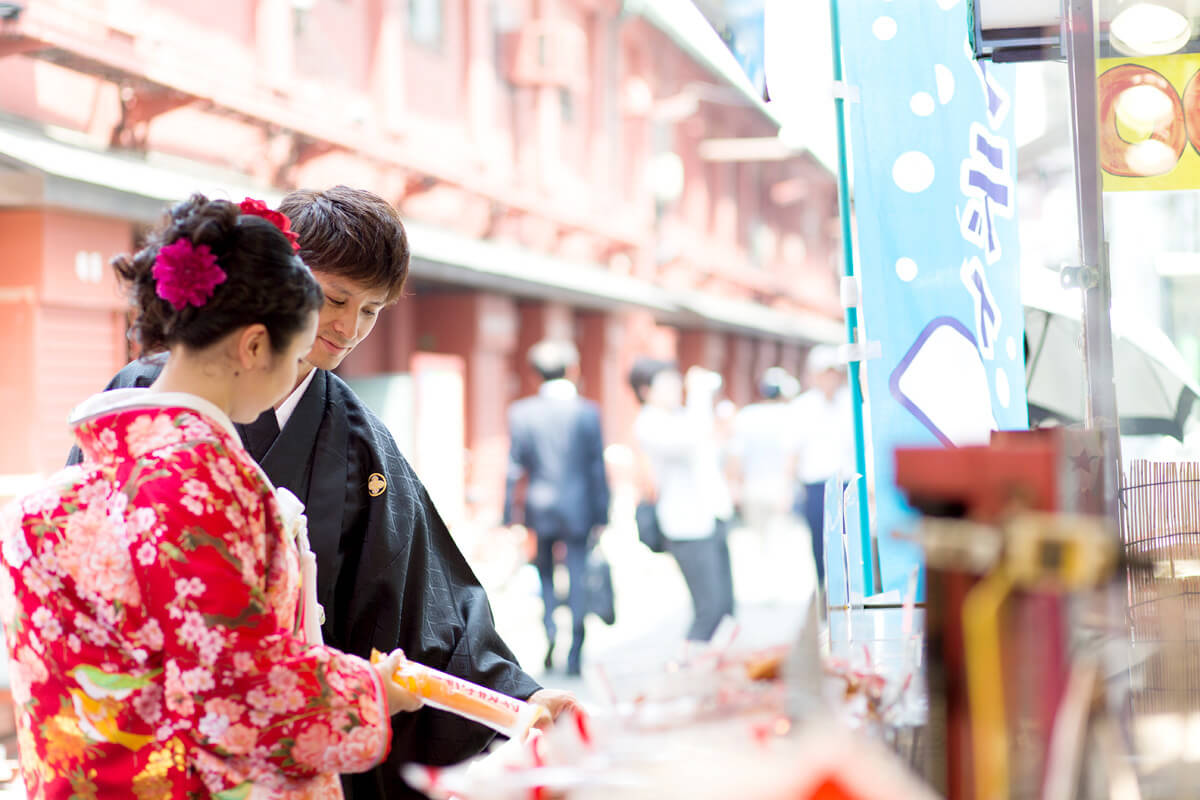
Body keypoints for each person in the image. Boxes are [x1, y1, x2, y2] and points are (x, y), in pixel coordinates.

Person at [67, 186, 575, 799]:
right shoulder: (136, 405)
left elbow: (420, 600)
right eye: (336, 299)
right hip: (168, 735)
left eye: (371, 311)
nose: (349, 328)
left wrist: (512, 697)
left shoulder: (355, 437)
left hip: (284, 746)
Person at [3, 194, 426, 799]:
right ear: (254, 346)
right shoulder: (204, 490)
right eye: (298, 341)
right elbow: (239, 697)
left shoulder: (68, 490)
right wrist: (372, 694)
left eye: (371, 311)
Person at [502, 340, 610, 677]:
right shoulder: (587, 412)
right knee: (577, 572)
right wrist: (604, 513)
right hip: (579, 505)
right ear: (572, 370)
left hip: (540, 504)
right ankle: (576, 649)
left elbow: (513, 469)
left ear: (536, 374)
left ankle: (549, 633)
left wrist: (509, 515)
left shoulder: (521, 412)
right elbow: (596, 467)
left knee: (545, 572)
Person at [630, 359, 735, 642]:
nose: (676, 388)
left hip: (712, 519)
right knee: (709, 610)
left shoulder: (680, 417)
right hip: (685, 527)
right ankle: (688, 672)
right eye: (667, 384)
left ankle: (712, 673)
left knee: (725, 609)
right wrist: (700, 395)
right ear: (645, 390)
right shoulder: (649, 423)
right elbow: (690, 439)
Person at [728, 367, 800, 602]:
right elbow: (790, 457)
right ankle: (776, 589)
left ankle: (760, 587)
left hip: (752, 486)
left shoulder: (746, 416)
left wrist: (735, 486)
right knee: (778, 539)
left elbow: (736, 456)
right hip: (777, 486)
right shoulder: (788, 415)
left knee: (758, 539)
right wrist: (788, 488)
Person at [791, 345, 856, 592]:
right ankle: (824, 591)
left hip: (848, 483)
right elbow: (793, 451)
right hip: (816, 485)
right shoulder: (802, 407)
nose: (829, 379)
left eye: (833, 373)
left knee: (848, 542)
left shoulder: (851, 404)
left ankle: (850, 591)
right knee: (820, 544)